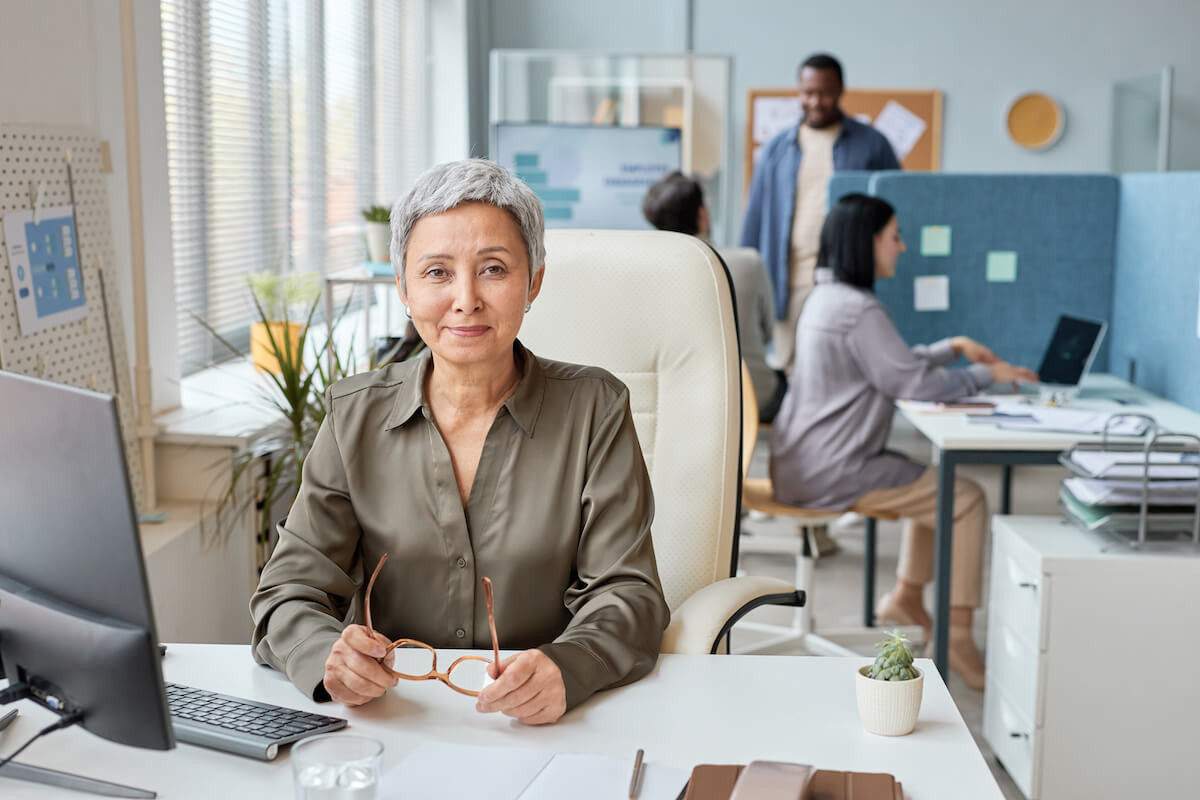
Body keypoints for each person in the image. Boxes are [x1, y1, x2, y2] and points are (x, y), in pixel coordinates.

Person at [250, 159, 670, 725]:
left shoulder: (596, 408)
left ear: (534, 282)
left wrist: (570, 665)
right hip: (395, 720)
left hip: (549, 727)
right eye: (437, 273)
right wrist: (327, 655)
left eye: (494, 269)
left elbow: (630, 594)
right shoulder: (354, 417)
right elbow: (288, 592)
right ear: (402, 287)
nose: (466, 299)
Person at [769, 193, 1037, 689]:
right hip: (834, 469)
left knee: (935, 485)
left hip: (804, 461)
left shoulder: (825, 299)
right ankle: (957, 635)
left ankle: (906, 596)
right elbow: (913, 383)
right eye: (894, 236)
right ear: (866, 241)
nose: (902, 247)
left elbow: (890, 362)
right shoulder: (859, 309)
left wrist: (951, 348)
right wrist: (986, 374)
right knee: (966, 497)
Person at [741, 53, 900, 377]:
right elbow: (755, 220)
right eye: (807, 92)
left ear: (840, 90)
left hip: (846, 281)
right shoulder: (776, 149)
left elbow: (893, 213)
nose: (815, 101)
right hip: (789, 283)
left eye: (824, 93)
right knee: (791, 373)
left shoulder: (872, 145)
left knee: (841, 372)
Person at [642, 171, 786, 422]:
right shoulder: (748, 262)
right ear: (702, 214)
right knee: (784, 382)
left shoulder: (648, 273)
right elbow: (766, 335)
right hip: (751, 398)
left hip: (683, 401)